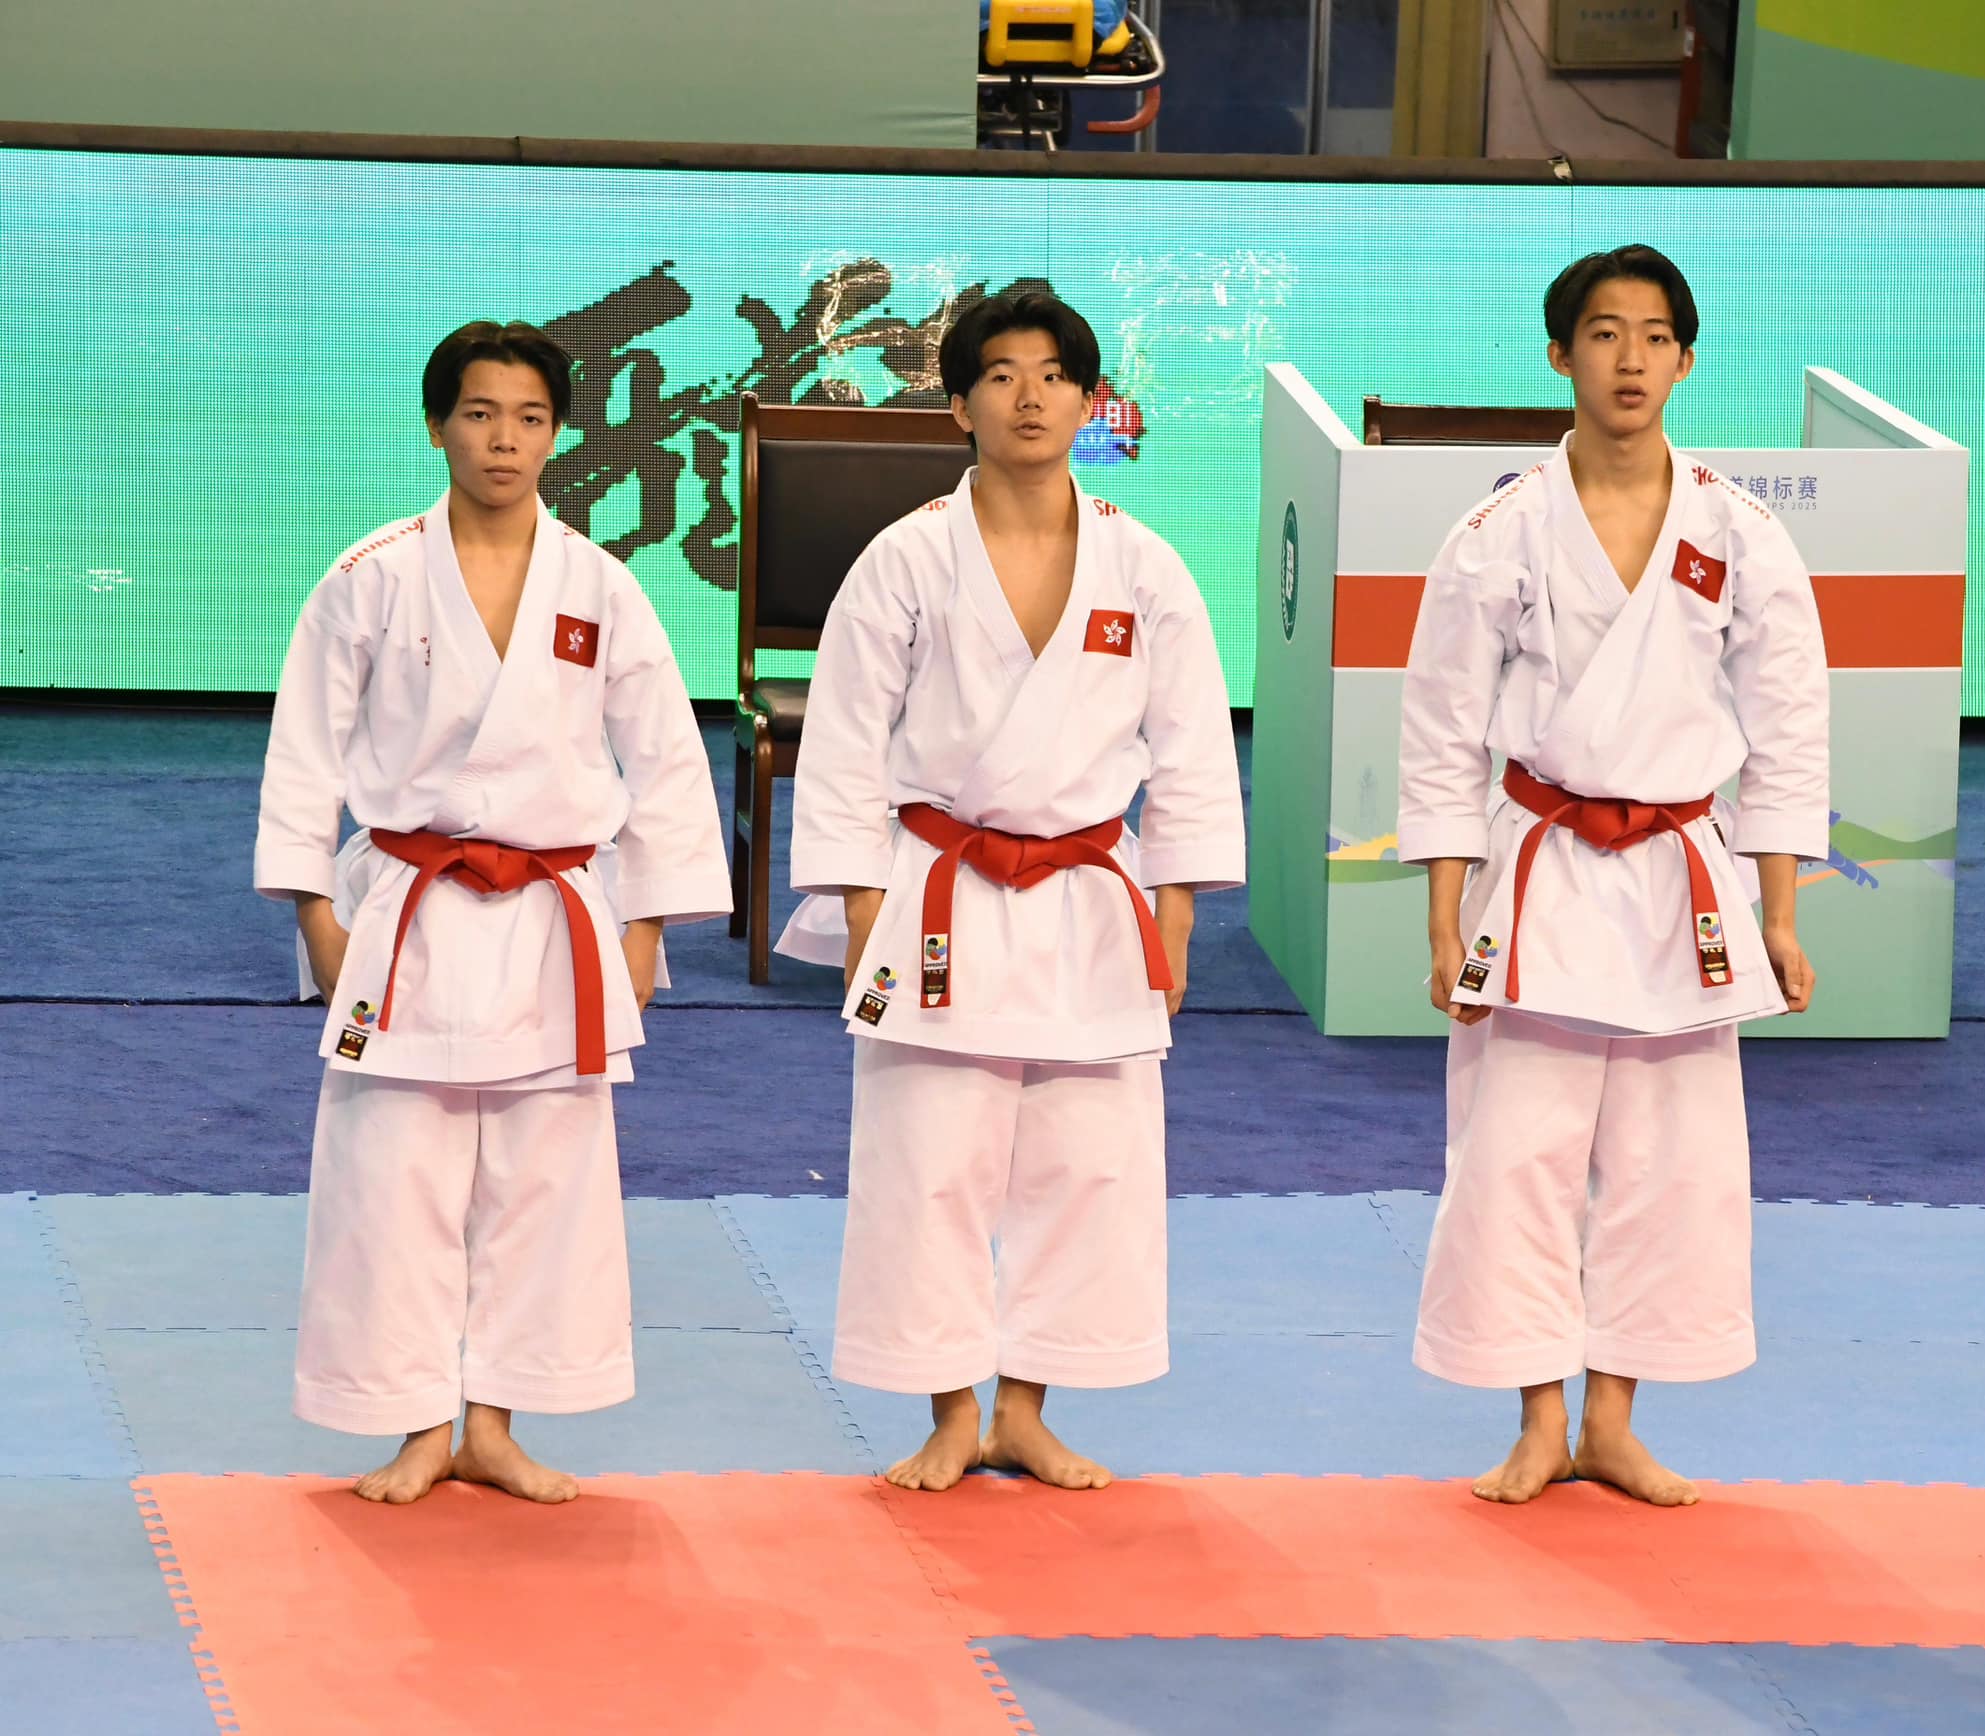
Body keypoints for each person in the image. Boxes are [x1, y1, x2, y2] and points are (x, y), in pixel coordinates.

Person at [254, 321, 729, 1504]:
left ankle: (497, 1423)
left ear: (557, 433)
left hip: (551, 924)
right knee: (389, 1181)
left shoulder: (600, 585)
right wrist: (314, 914)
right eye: (478, 414)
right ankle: (418, 1423)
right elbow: (304, 753)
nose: (502, 439)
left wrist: (646, 926)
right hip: (406, 914)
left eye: (527, 417)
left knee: (541, 1184)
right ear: (437, 427)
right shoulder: (370, 575)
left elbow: (666, 760)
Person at [776, 290, 1244, 1492]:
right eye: (999, 374)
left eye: (1051, 375)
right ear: (957, 406)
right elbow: (842, 739)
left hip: (1090, 892)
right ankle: (946, 1409)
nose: (1028, 396)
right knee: (927, 1159)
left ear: (1090, 403)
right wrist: (863, 906)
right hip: (940, 887)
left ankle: (1026, 1406)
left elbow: (1192, 747)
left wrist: (1177, 909)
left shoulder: (1144, 565)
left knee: (1085, 1165)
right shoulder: (906, 556)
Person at [1397, 247, 1829, 1507]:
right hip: (1537, 868)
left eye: (1651, 335)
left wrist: (1778, 912)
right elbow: (1439, 730)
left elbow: (1787, 728)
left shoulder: (1740, 533)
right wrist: (1443, 921)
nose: (1627, 358)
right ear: (1558, 355)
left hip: (1678, 880)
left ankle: (1613, 1418)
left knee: (1667, 1163)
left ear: (1684, 360)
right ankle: (1537, 1416)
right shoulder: (1495, 533)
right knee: (1513, 1153)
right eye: (1601, 332)